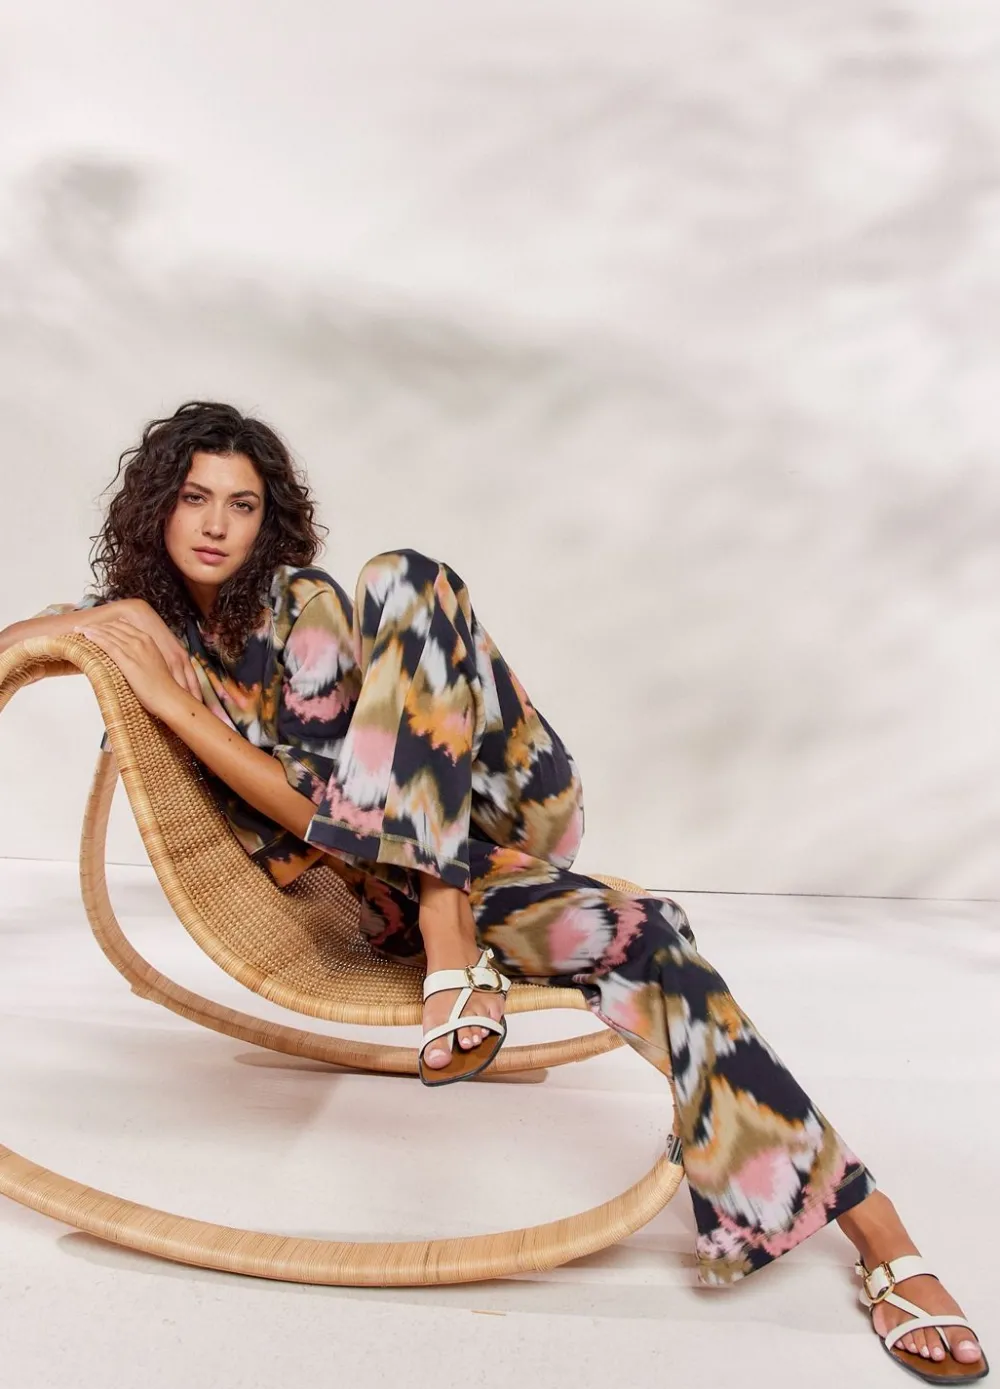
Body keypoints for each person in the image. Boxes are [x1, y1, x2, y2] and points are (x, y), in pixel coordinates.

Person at [0, 401, 986, 1382]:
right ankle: (879, 1231)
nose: (217, 524)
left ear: (270, 520)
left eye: (243, 504)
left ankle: (449, 941)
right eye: (194, 498)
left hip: (505, 798)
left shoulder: (302, 610)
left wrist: (175, 705)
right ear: (156, 508)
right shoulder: (146, 631)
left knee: (406, 577)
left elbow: (323, 810)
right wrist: (102, 627)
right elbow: (24, 639)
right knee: (648, 933)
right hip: (430, 874)